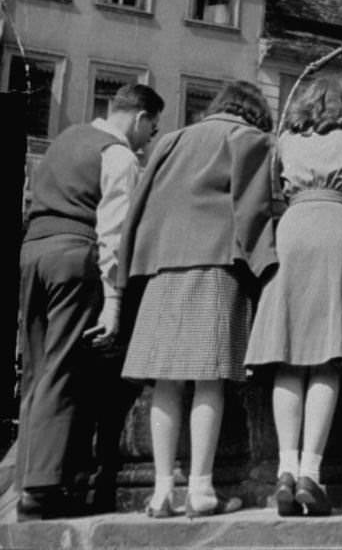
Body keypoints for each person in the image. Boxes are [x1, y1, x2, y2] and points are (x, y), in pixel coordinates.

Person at [119, 81, 277, 518]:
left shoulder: (170, 140)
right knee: (210, 377)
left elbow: (138, 207)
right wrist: (268, 268)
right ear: (255, 113)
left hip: (162, 267)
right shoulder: (248, 138)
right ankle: (202, 489)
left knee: (164, 381)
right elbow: (252, 212)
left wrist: (125, 274)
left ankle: (162, 489)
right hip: (215, 263)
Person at [15, 83, 163, 521]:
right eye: (151, 129)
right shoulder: (116, 156)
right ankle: (44, 488)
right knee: (65, 366)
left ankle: (27, 473)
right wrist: (114, 300)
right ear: (139, 118)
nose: (149, 139)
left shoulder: (64, 141)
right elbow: (113, 232)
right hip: (74, 257)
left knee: (37, 365)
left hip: (32, 251)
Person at [245, 72, 342, 517]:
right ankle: (311, 473)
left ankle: (285, 470)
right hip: (337, 230)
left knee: (288, 356)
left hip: (292, 230)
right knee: (329, 356)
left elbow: (271, 193)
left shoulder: (285, 140)